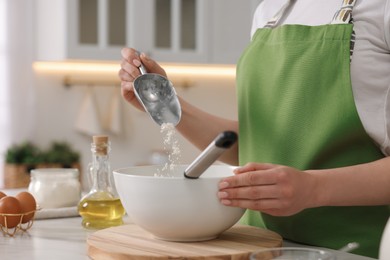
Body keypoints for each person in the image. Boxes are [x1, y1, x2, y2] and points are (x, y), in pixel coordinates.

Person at [119, 0, 390, 258]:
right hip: (256, 246)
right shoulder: (270, 11)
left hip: (351, 250)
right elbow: (253, 144)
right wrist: (167, 105)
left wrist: (313, 188)